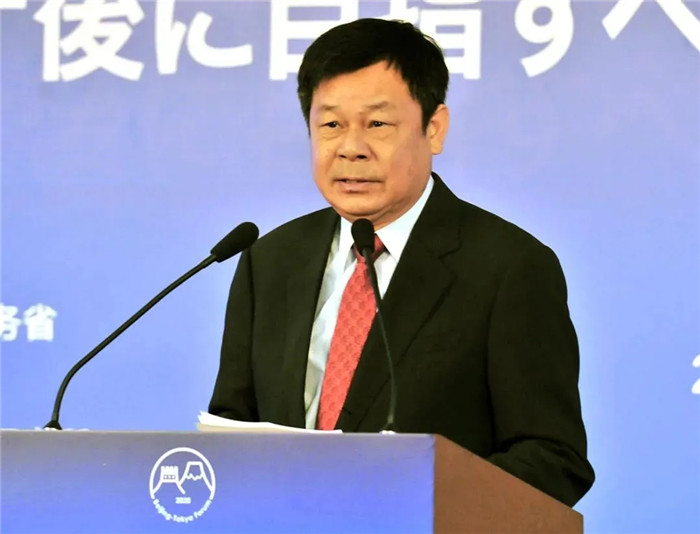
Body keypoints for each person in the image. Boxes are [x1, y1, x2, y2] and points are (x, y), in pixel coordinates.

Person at [209, 18, 594, 506]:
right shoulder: (269, 261)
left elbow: (551, 459)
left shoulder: (509, 267)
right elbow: (232, 432)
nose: (351, 148)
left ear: (434, 128)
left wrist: (414, 502)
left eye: (377, 124)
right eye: (331, 124)